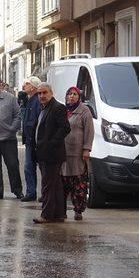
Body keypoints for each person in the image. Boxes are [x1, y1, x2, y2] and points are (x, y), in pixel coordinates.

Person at [33, 83, 71, 223]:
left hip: (52, 154)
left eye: (44, 93)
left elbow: (65, 128)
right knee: (55, 185)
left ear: (51, 93)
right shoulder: (43, 108)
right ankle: (59, 214)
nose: (42, 96)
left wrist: (52, 143)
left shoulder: (58, 107)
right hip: (43, 153)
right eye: (39, 93)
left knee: (48, 185)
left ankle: (47, 215)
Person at [62, 86, 95, 221]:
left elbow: (89, 131)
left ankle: (78, 211)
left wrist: (86, 149)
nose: (71, 97)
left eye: (74, 94)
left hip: (78, 154)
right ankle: (61, 210)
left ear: (79, 96)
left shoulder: (84, 111)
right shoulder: (63, 111)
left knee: (78, 185)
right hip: (63, 154)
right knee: (63, 184)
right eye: (69, 94)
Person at [21, 76, 42, 202]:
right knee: (29, 167)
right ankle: (31, 192)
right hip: (30, 140)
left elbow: (35, 121)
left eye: (27, 84)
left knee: (36, 167)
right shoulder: (29, 100)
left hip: (35, 140)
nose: (24, 86)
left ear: (33, 87)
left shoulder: (37, 101)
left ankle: (35, 192)